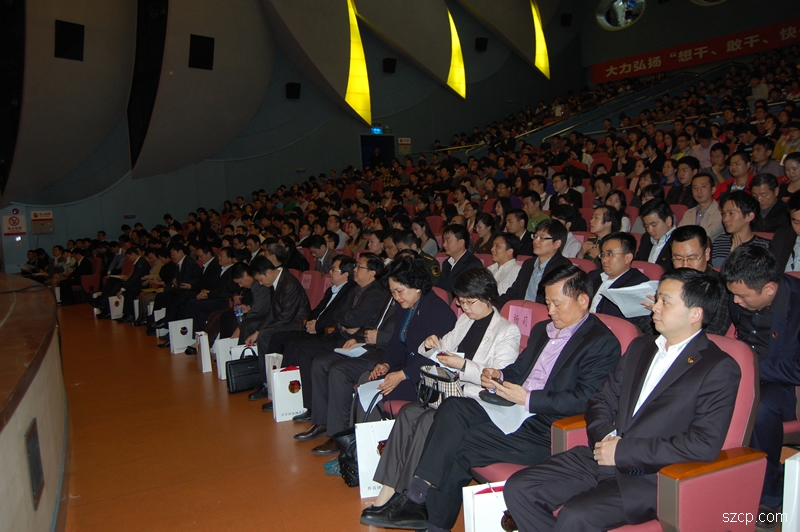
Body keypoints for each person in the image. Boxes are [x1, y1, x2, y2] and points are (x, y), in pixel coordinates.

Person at [369, 266, 621, 531]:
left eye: (557, 304)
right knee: (453, 408)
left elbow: (585, 399)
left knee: (457, 446)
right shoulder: (543, 330)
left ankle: (424, 512)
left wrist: (529, 398)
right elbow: (518, 370)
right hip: (512, 410)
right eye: (547, 303)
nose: (550, 311)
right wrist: (499, 374)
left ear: (583, 300)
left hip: (547, 427)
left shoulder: (601, 342)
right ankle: (418, 499)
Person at [504, 268, 739, 532]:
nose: (654, 307)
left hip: (655, 476)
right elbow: (600, 400)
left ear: (695, 314)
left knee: (575, 516)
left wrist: (624, 451)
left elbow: (703, 444)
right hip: (602, 456)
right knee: (519, 488)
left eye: (665, 302)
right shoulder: (641, 347)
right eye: (657, 299)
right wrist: (606, 438)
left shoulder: (717, 367)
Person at [361, 269, 521, 524]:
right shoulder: (465, 321)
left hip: (473, 400)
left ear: (488, 297)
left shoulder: (507, 331)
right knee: (409, 412)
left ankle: (411, 497)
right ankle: (387, 492)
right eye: (461, 302)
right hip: (446, 392)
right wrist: (429, 344)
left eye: (470, 302)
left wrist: (462, 365)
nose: (464, 308)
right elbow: (439, 350)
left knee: (427, 420)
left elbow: (497, 377)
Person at [721, 246, 800, 526]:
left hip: (786, 383)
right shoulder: (738, 296)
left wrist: (751, 367)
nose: (736, 301)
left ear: (769, 289)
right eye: (733, 294)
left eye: (743, 296)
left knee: (761, 407)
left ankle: (769, 495)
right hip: (747, 372)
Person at [589, 232, 653, 334]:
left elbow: (641, 326)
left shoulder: (638, 284)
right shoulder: (593, 276)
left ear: (628, 258)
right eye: (603, 254)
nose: (604, 259)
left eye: (609, 254)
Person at [499, 220, 572, 307]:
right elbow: (514, 293)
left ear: (557, 244)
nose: (535, 241)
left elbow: (555, 302)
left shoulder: (562, 267)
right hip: (522, 311)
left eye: (542, 238)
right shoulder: (528, 264)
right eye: (535, 236)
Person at [710, 191, 770, 267]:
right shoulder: (719, 241)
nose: (725, 219)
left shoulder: (764, 246)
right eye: (723, 213)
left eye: (731, 213)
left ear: (749, 216)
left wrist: (735, 257)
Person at [436, 224, 483, 294]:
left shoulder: (473, 264)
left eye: (448, 240)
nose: (444, 245)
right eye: (444, 240)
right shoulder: (447, 263)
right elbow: (441, 288)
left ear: (461, 243)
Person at [678, 173, 724, 241]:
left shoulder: (721, 212)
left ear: (713, 190)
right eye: (695, 188)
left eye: (703, 186)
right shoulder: (688, 213)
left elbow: (708, 234)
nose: (699, 191)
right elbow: (679, 234)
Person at [635, 199, 675, 272]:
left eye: (654, 225)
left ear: (668, 221)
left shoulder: (679, 240)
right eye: (646, 226)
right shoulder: (646, 238)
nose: (649, 230)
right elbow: (638, 263)